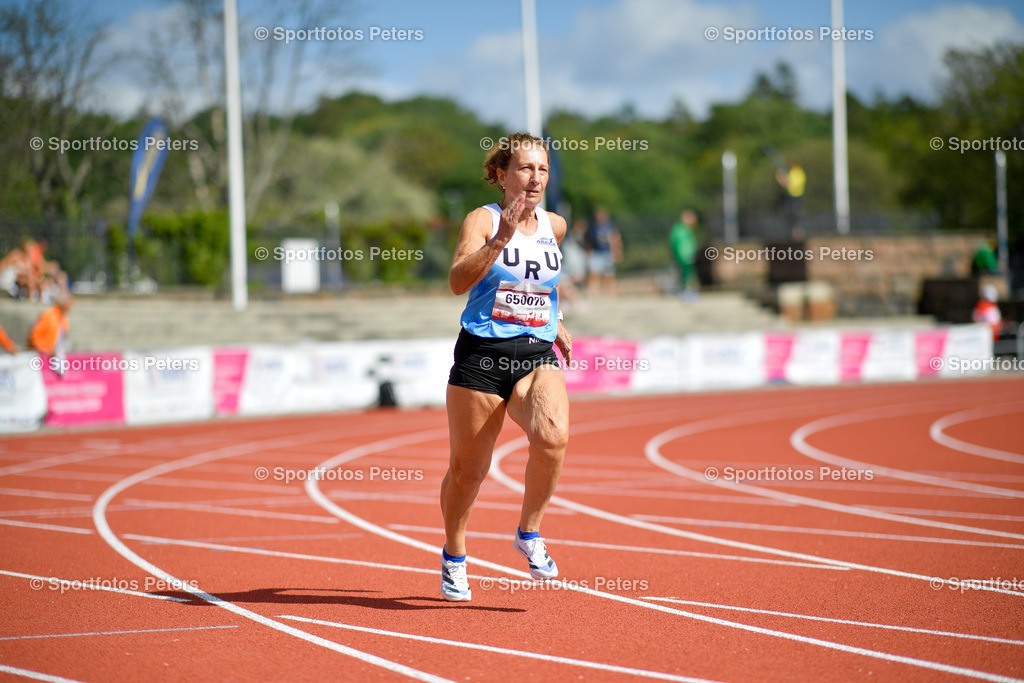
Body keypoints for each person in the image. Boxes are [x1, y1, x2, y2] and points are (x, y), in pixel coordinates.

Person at [440, 132, 572, 602]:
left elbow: (541, 284)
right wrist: (499, 240)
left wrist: (556, 323)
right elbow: (458, 281)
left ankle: (528, 532)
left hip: (535, 351)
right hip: (481, 355)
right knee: (468, 472)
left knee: (553, 436)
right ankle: (455, 554)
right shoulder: (483, 218)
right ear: (501, 174)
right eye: (524, 168)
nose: (535, 178)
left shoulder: (555, 225)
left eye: (542, 169)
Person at [28, 292, 72, 373]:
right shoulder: (49, 315)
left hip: (56, 356)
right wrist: (46, 349)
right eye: (69, 302)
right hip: (43, 357)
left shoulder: (64, 318)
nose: (71, 305)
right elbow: (34, 335)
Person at [586, 207, 622, 295]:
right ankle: (594, 291)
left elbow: (616, 239)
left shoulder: (610, 226)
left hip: (607, 252)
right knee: (594, 273)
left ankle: (609, 291)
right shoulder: (593, 227)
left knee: (609, 274)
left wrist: (617, 251)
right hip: (596, 252)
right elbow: (589, 241)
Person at [669, 209, 700, 301]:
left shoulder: (686, 229)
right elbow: (676, 244)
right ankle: (685, 292)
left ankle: (687, 292)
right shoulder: (680, 230)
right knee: (685, 275)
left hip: (687, 255)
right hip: (684, 256)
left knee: (688, 275)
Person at [776, 162, 805, 239]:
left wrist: (782, 178)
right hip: (791, 196)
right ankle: (792, 232)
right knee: (791, 214)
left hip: (795, 196)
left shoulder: (797, 173)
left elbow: (788, 183)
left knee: (794, 214)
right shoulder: (796, 173)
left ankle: (796, 232)